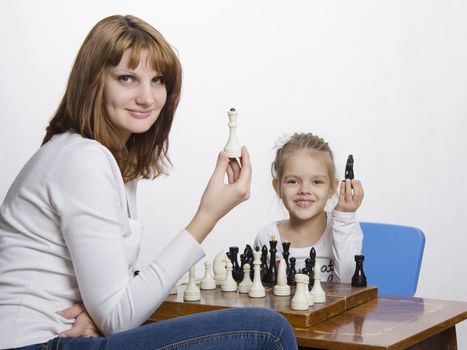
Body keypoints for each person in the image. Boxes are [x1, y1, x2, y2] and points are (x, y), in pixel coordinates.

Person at [0, 15, 297, 349]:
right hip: (34, 343)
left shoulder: (108, 160)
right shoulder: (82, 158)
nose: (147, 97)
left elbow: (113, 306)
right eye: (127, 78)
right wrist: (207, 216)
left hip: (58, 338)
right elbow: (118, 317)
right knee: (267, 331)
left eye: (157, 80)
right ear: (93, 82)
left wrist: (101, 316)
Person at [254, 133, 364, 283]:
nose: (304, 190)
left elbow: (348, 284)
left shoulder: (345, 227)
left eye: (317, 182)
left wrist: (344, 218)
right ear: (277, 187)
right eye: (293, 181)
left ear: (332, 188)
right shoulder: (267, 236)